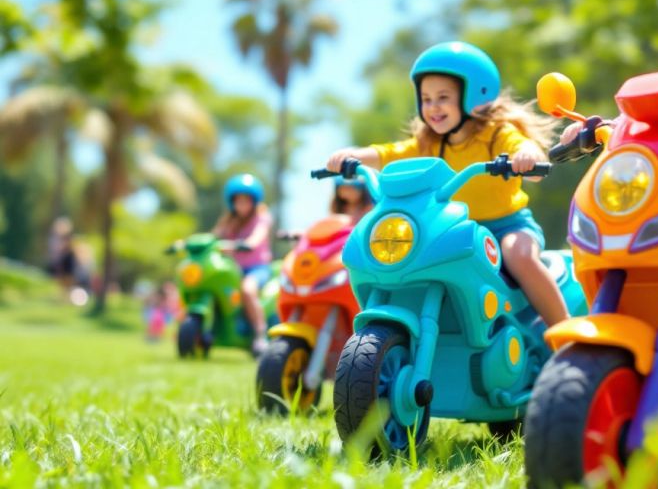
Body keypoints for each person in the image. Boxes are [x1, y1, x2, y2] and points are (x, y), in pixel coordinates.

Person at [325, 41, 570, 327]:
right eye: (426, 99)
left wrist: (526, 156)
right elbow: (389, 153)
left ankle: (563, 330)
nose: (433, 107)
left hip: (508, 226)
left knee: (517, 254)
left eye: (443, 97)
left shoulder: (496, 134)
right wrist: (356, 154)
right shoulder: (429, 143)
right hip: (456, 230)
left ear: (475, 94)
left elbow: (522, 147)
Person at [213, 174, 273, 354]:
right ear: (232, 202)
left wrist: (244, 244)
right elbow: (214, 237)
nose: (242, 205)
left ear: (254, 202)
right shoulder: (229, 221)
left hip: (257, 268)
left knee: (247, 289)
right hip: (235, 269)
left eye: (246, 200)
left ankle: (260, 334)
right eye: (238, 201)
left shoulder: (262, 217)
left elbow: (257, 238)